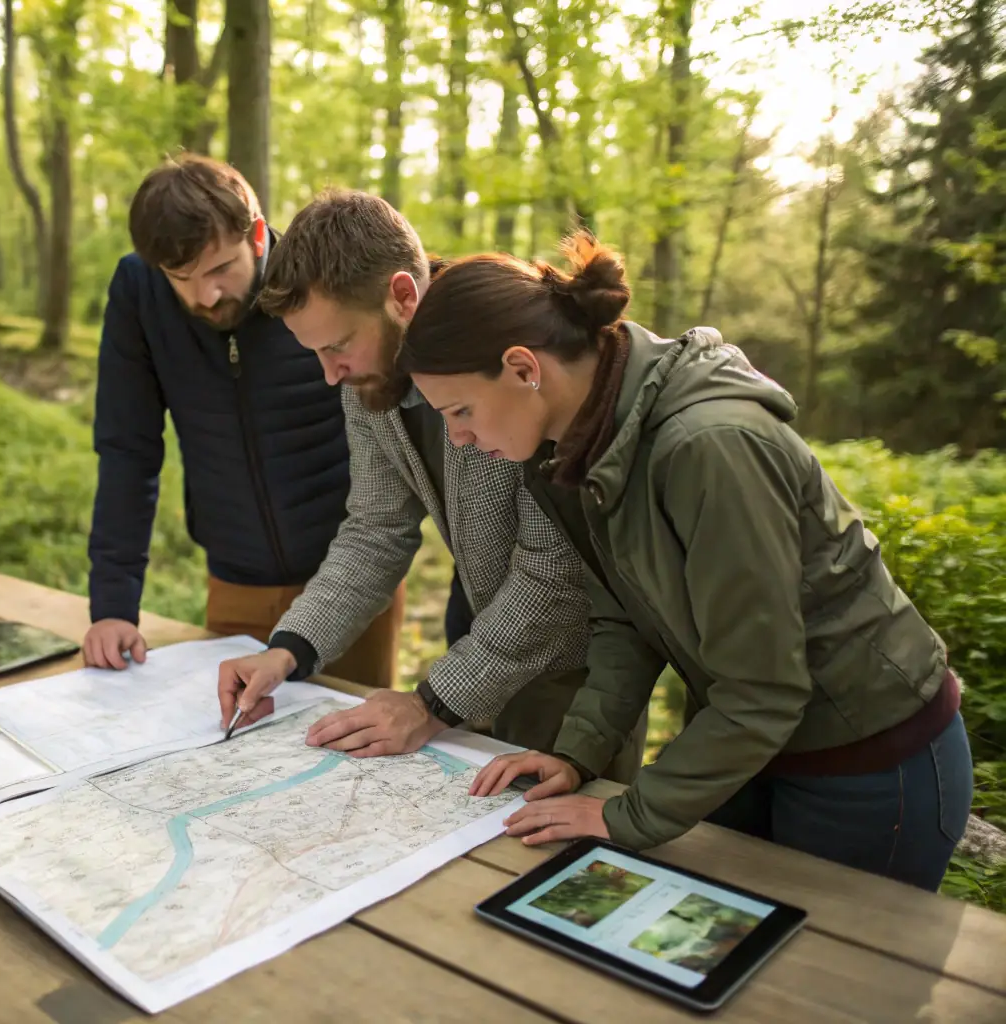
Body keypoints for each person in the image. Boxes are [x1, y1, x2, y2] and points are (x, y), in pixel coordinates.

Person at [398, 231, 974, 892]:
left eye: (461, 411)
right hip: (750, 748)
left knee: (833, 986)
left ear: (524, 368)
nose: (460, 439)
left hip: (869, 765)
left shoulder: (709, 447)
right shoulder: (574, 451)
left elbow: (764, 689)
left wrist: (627, 814)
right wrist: (575, 753)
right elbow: (622, 622)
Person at [216, 190, 647, 779]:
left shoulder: (511, 354)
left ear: (401, 296)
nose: (329, 374)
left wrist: (431, 702)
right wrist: (288, 649)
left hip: (583, 677)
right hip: (479, 644)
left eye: (338, 346)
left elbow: (557, 569)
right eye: (315, 353)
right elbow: (375, 529)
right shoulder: (369, 381)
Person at [85, 156, 404, 687]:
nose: (202, 297)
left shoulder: (318, 284)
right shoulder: (140, 293)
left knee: (353, 742)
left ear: (257, 234)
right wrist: (114, 605)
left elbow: (380, 427)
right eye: (180, 279)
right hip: (235, 580)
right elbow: (127, 449)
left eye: (219, 270)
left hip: (352, 580)